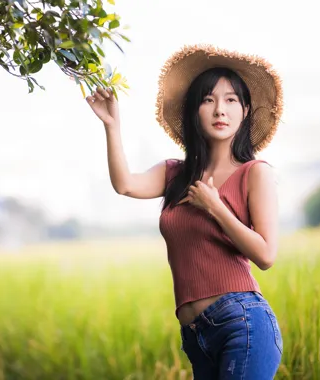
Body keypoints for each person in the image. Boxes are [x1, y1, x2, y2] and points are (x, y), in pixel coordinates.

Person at [85, 44, 284, 380]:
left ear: (245, 110)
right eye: (208, 100)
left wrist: (215, 207)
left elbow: (266, 255)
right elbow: (125, 185)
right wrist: (111, 125)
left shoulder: (255, 173)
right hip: (196, 335)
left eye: (231, 99)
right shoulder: (175, 174)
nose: (220, 109)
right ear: (195, 110)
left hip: (243, 323)